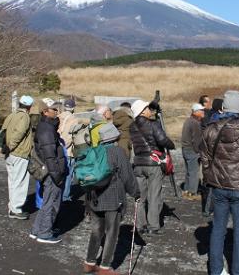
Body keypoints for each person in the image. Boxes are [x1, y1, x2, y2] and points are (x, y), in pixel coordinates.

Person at [201, 91, 239, 275]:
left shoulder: (211, 129)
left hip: (219, 187)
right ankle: (238, 271)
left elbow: (204, 157)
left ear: (224, 107)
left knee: (218, 229)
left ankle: (216, 270)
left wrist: (209, 178)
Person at [83, 124, 139, 275]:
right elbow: (127, 176)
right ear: (114, 137)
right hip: (113, 198)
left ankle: (89, 263)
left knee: (96, 231)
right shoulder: (117, 151)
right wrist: (136, 193)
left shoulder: (94, 151)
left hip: (94, 197)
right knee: (112, 233)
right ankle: (105, 267)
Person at [130, 99, 175, 235]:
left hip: (138, 163)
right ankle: (153, 225)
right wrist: (171, 145)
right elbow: (162, 140)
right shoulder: (153, 124)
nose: (150, 110)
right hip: (153, 163)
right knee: (154, 195)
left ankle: (140, 225)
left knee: (140, 197)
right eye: (148, 108)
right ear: (143, 111)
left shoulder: (132, 126)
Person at [30, 98, 67, 243]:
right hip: (51, 172)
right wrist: (57, 175)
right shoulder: (46, 129)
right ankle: (45, 233)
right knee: (52, 202)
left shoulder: (46, 127)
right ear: (45, 112)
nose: (56, 112)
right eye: (53, 109)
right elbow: (50, 156)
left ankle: (37, 229)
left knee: (47, 201)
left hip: (49, 170)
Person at [1, 95, 34, 219]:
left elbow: (3, 132)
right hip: (19, 153)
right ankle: (16, 209)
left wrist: (5, 147)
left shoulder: (12, 115)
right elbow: (19, 133)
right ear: (29, 106)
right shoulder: (24, 117)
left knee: (13, 181)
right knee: (20, 182)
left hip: (9, 153)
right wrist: (10, 146)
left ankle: (12, 207)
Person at [58, 98, 88, 202]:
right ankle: (65, 197)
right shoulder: (73, 119)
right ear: (73, 108)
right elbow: (69, 138)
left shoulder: (58, 117)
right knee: (68, 175)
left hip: (56, 150)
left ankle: (57, 195)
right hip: (68, 151)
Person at [181, 103, 205, 199]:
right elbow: (196, 140)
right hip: (192, 151)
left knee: (189, 172)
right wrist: (199, 152)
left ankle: (187, 190)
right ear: (196, 112)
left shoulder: (189, 120)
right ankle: (192, 193)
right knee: (194, 173)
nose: (203, 112)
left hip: (186, 149)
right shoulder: (195, 123)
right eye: (201, 111)